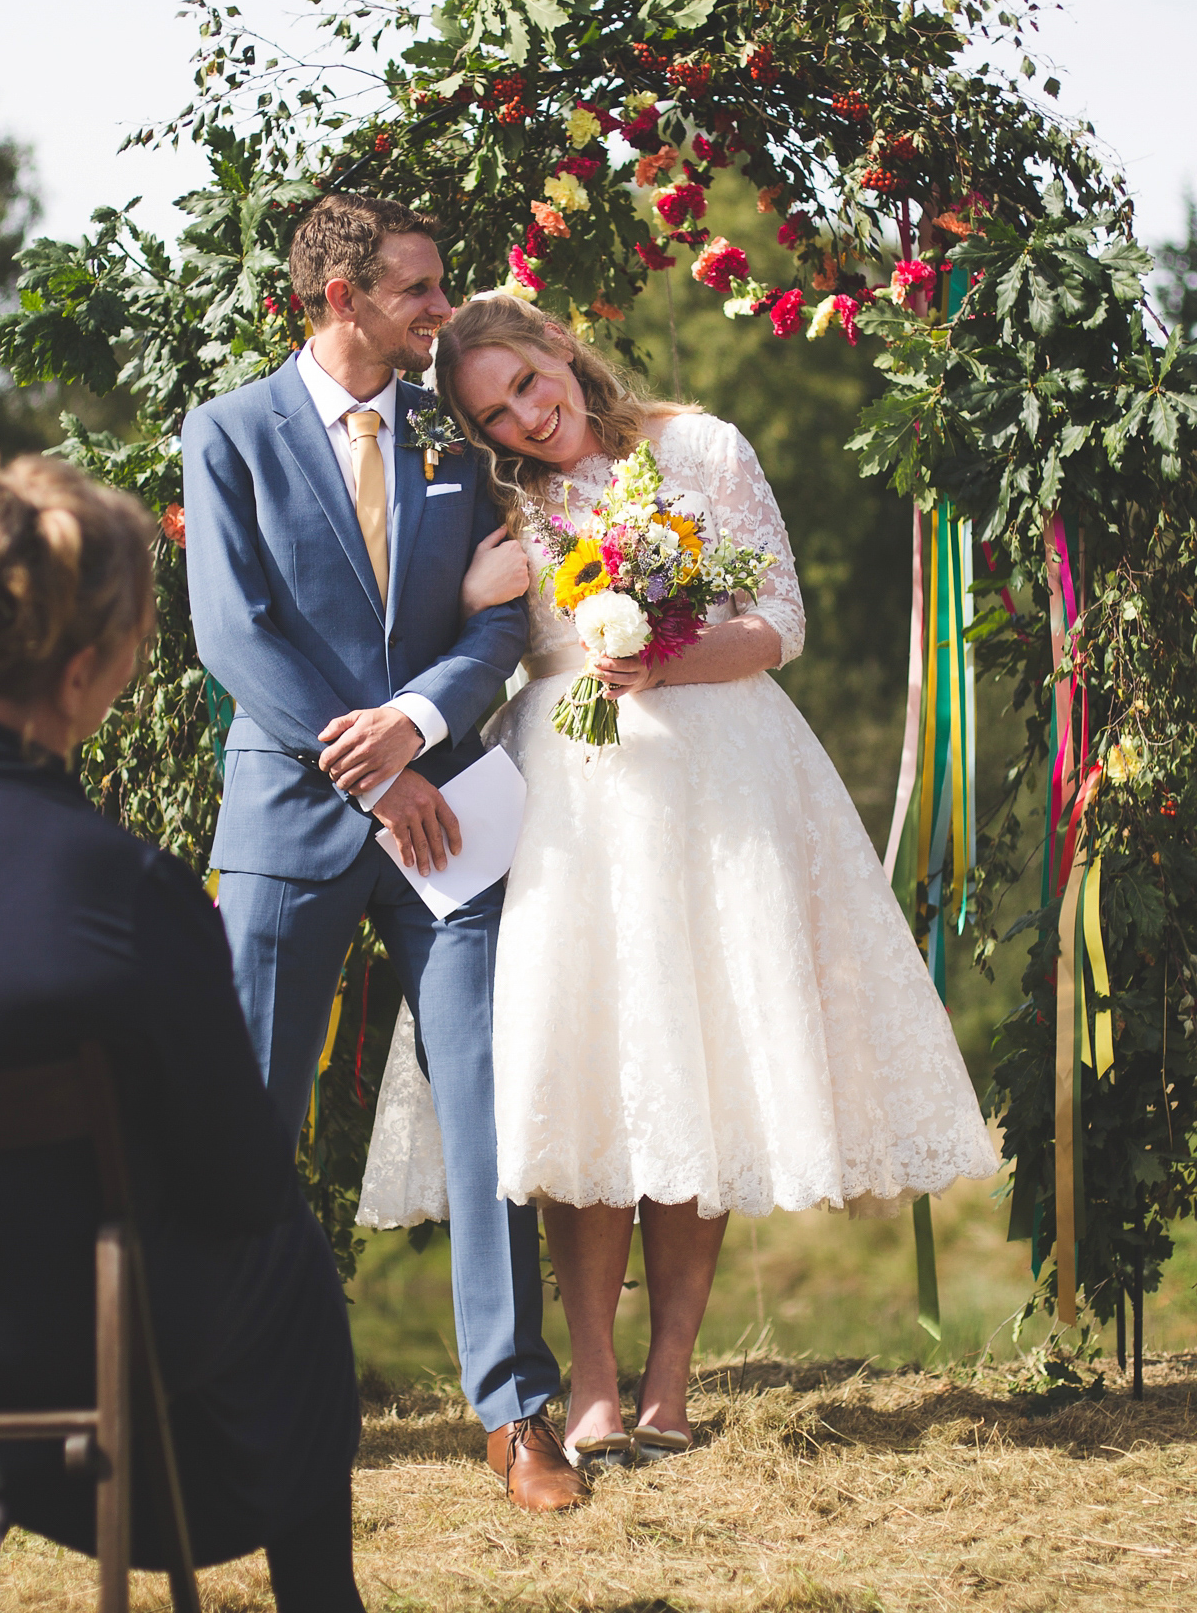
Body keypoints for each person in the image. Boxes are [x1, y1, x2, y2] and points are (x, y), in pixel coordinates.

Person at [365, 293, 997, 1467]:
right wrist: (468, 596)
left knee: (697, 1061)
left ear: (561, 348)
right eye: (494, 412)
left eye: (529, 382)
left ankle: (670, 1383)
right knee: (593, 1069)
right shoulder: (493, 501)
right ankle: (591, 1385)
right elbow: (441, 640)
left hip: (719, 778)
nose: (526, 416)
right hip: (571, 797)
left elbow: (780, 623)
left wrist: (665, 657)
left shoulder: (699, 447)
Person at [181, 195, 585, 1510]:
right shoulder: (229, 433)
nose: (438, 306)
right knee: (249, 1126)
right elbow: (233, 638)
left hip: (448, 826)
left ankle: (518, 1416)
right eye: (416, 288)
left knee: (485, 1104)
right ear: (341, 298)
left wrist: (416, 732)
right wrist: (374, 774)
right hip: (290, 826)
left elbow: (497, 623)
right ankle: (213, 1406)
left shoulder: (455, 447)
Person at [0, 455, 365, 1608]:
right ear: (89, 669)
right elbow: (238, 1179)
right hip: (75, 1343)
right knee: (291, 1262)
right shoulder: (123, 892)